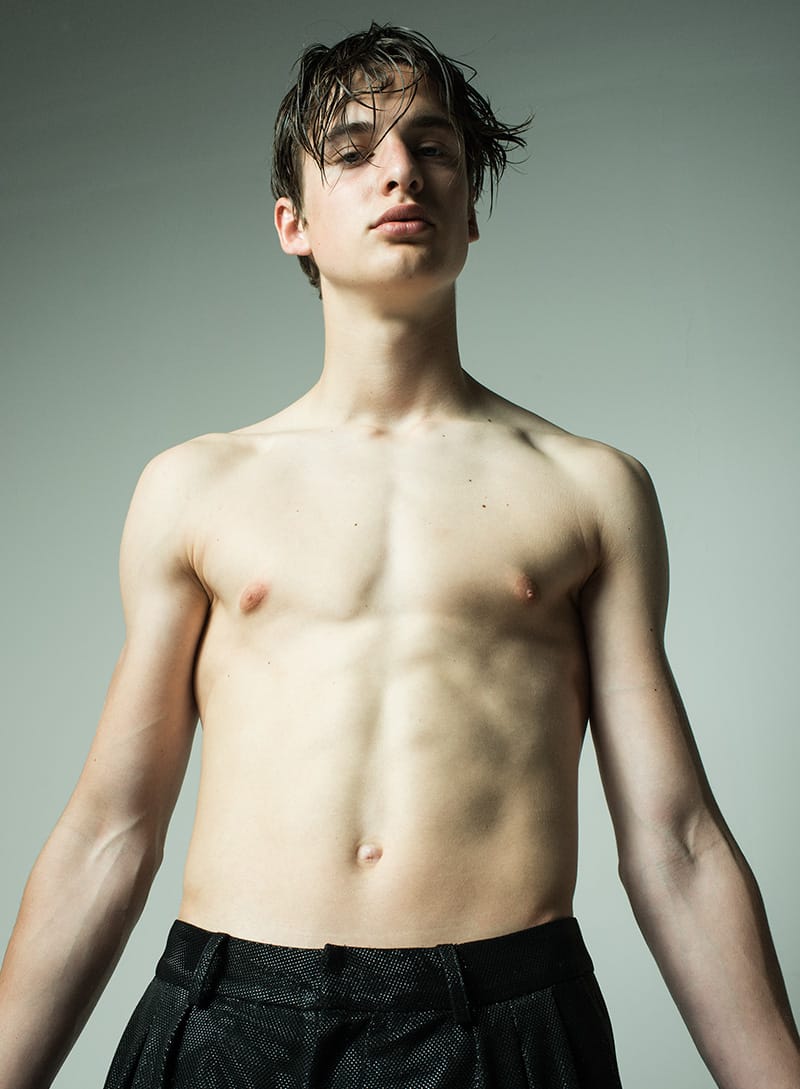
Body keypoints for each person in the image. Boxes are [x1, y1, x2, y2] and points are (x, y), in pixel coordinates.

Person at [0, 22, 798, 1089]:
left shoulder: (589, 489)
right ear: (291, 223)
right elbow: (111, 832)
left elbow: (678, 842)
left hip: (501, 1026)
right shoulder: (196, 487)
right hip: (232, 1023)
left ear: (471, 209)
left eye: (432, 148)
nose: (399, 172)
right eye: (352, 151)